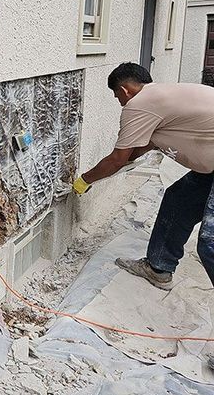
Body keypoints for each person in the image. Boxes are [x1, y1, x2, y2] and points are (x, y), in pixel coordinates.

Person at [73, 62, 214, 294]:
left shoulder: (139, 105)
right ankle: (158, 269)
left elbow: (118, 158)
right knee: (179, 199)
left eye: (116, 95)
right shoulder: (162, 96)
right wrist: (119, 162)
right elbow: (139, 148)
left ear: (125, 90)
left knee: (209, 242)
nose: (119, 102)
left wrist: (84, 180)